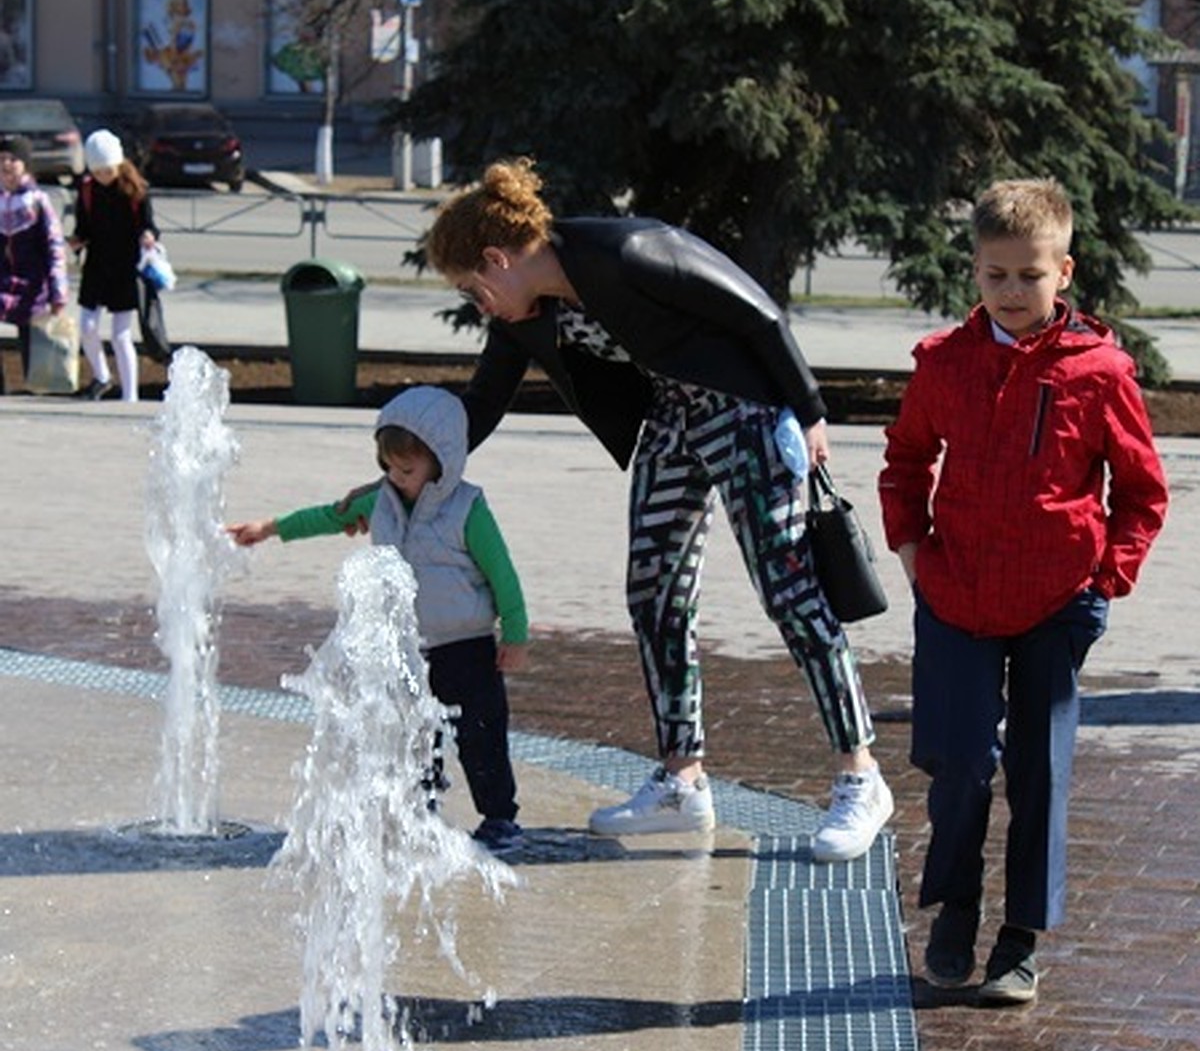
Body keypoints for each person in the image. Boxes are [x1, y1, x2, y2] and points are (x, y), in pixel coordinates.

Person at [409, 155, 891, 861]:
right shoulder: (524, 318)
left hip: (745, 410)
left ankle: (860, 774)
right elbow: (482, 404)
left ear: (497, 258)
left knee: (789, 593)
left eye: (475, 289)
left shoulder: (628, 251)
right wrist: (416, 469)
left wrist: (810, 411)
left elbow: (756, 311)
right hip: (675, 422)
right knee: (653, 592)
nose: (480, 305)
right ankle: (682, 781)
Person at [878, 178, 1169, 1003]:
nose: (1012, 292)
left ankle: (1019, 939)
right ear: (974, 270)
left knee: (1042, 768)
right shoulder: (944, 362)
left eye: (1029, 275)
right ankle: (956, 912)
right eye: (995, 274)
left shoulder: (1100, 370)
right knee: (962, 761)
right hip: (957, 599)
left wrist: (1104, 580)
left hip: (1055, 604)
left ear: (1063, 273)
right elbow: (905, 463)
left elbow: (1142, 491)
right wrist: (913, 555)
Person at [229, 385, 530, 854]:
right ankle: (419, 812)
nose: (397, 476)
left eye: (407, 469)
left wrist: (516, 633)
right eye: (388, 467)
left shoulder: (468, 508)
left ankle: (500, 818)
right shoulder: (381, 500)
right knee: (413, 736)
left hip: (467, 646)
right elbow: (330, 516)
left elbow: (502, 573)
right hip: (407, 647)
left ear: (442, 460)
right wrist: (270, 528)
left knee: (482, 735)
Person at [70, 129, 158, 401]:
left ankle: (130, 397)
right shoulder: (87, 190)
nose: (103, 177)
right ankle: (102, 377)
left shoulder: (136, 190)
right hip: (96, 265)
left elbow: (149, 225)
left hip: (125, 268)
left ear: (118, 164)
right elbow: (83, 228)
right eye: (97, 172)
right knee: (86, 327)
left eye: (107, 171)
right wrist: (76, 241)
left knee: (121, 335)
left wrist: (148, 236)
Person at [0, 133, 68, 393]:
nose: (6, 165)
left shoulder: (38, 200)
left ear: (25, 164)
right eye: (2, 158)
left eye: (13, 159)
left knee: (31, 337)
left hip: (31, 283)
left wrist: (58, 291)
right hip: (1, 280)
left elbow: (54, 247)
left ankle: (34, 387)